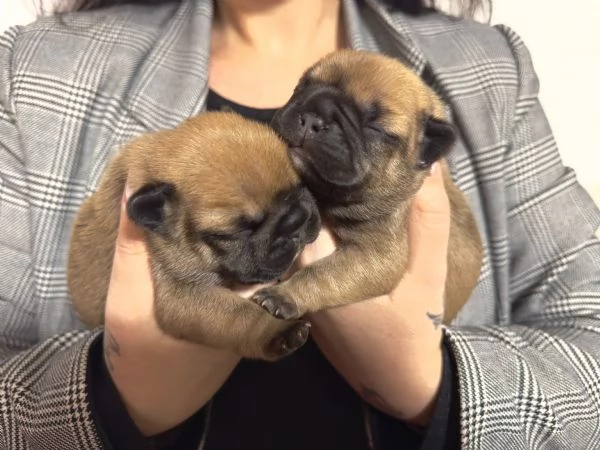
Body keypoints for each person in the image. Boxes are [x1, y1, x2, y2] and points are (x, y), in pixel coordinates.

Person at [1, 0, 599, 448]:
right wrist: (104, 396)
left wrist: (438, 384)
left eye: (366, 126)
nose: (314, 127)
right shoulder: (39, 70)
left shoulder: (488, 69)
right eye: (309, 95)